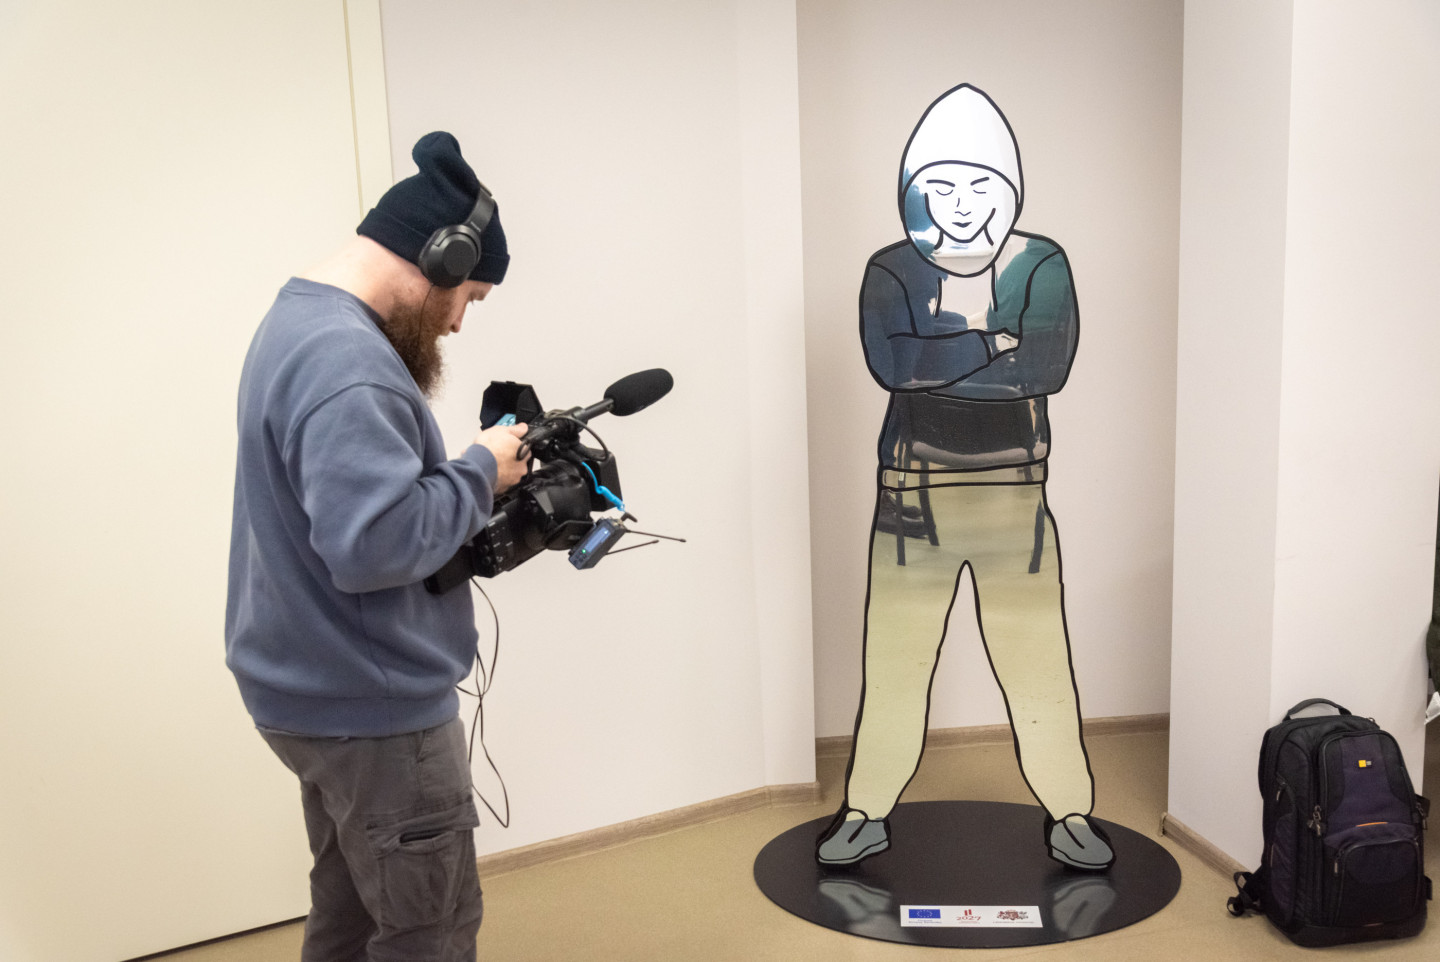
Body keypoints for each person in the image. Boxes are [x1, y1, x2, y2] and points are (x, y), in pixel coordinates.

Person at [225, 131, 530, 961]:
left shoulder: (298, 320)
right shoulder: (349, 364)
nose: (459, 323)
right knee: (429, 931)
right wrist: (482, 470)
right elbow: (375, 547)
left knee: (352, 914)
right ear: (442, 256)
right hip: (373, 711)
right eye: (469, 296)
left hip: (310, 690)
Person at [816, 85, 1113, 871]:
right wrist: (989, 342)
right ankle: (866, 810)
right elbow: (892, 365)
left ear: (1008, 189)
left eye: (980, 184)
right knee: (895, 663)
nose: (959, 203)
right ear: (914, 190)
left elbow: (1044, 369)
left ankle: (1070, 811)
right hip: (911, 500)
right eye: (941, 185)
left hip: (1016, 495)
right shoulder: (892, 268)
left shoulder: (1040, 263)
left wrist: (936, 351)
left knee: (1037, 660)